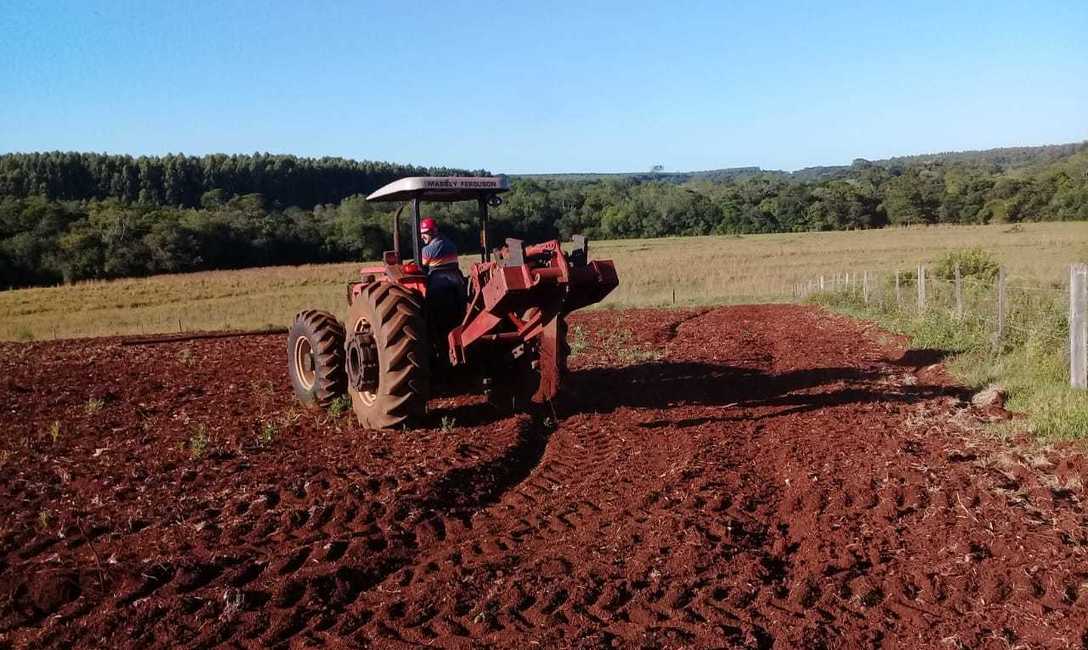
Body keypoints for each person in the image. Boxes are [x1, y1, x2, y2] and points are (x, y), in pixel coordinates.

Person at [419, 217, 466, 365]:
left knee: (435, 323)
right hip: (457, 286)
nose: (422, 236)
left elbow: (423, 265)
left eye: (424, 233)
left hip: (438, 288)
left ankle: (441, 354)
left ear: (432, 232)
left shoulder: (428, 250)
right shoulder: (451, 245)